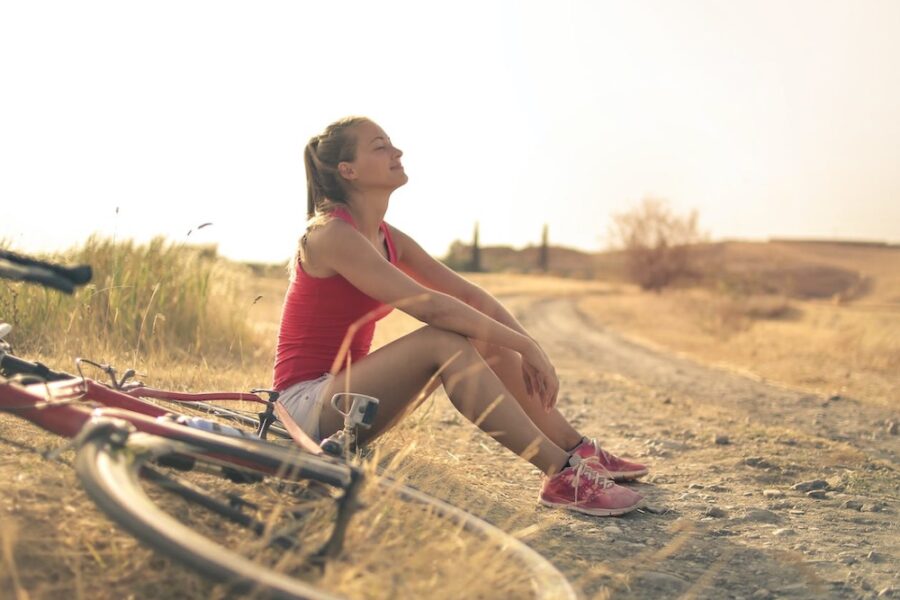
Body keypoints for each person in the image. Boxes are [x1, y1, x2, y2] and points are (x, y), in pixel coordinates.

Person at [273, 116, 649, 517]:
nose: (396, 152)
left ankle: (578, 450)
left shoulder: (386, 237)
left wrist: (527, 346)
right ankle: (560, 474)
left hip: (351, 404)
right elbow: (430, 305)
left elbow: (468, 294)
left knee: (488, 337)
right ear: (347, 170)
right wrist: (523, 345)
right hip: (302, 409)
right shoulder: (331, 235)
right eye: (379, 146)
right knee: (443, 339)